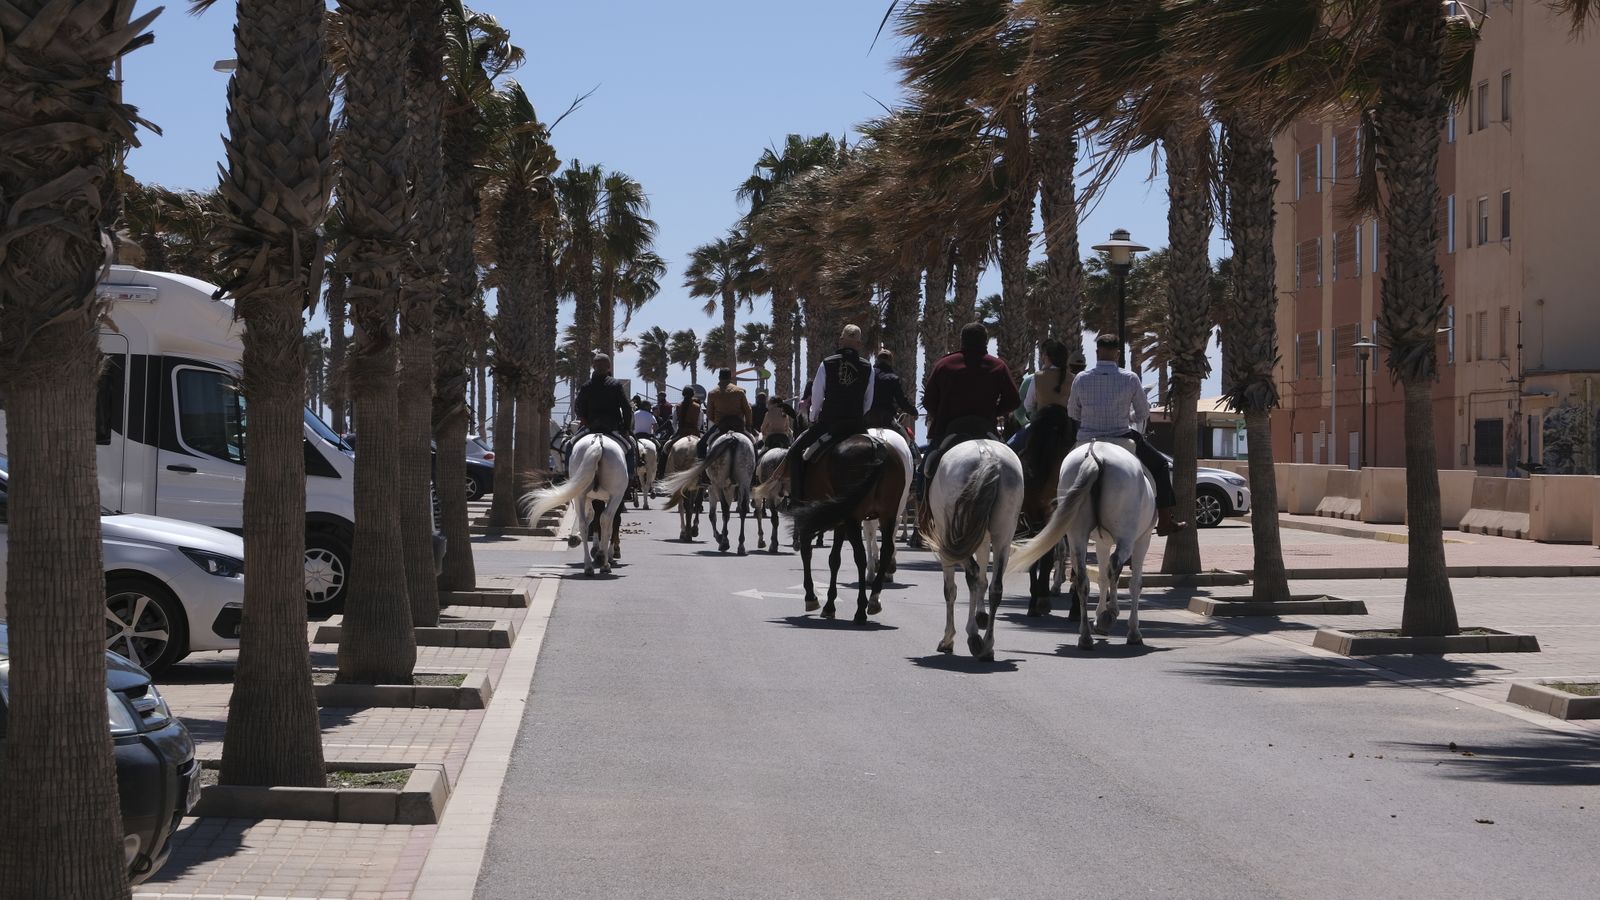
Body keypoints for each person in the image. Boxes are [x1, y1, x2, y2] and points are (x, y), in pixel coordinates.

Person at [1068, 333, 1187, 536]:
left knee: (1060, 470)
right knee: (1160, 465)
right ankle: (1166, 520)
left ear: (1097, 352)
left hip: (1086, 440)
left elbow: (1073, 412)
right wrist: (1127, 416)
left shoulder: (1081, 378)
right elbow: (1142, 413)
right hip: (1121, 437)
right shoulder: (1130, 378)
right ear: (1118, 353)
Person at [921, 321, 1021, 492]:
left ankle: (922, 508)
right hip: (986, 427)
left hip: (950, 429)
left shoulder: (944, 364)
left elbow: (928, 401)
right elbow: (1013, 400)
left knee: (925, 470)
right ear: (985, 341)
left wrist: (944, 412)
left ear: (962, 341)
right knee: (1014, 466)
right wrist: (994, 411)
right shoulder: (997, 366)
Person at [787, 324, 876, 500]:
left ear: (841, 341)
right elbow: (868, 401)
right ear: (859, 344)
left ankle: (796, 500)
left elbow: (817, 397)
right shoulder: (868, 367)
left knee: (795, 453)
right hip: (856, 426)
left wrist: (813, 417)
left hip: (829, 424)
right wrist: (857, 415)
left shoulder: (827, 363)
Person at [571, 354, 636, 473]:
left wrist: (584, 419)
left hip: (591, 427)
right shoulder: (616, 385)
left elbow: (578, 406)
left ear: (593, 367)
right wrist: (626, 428)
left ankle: (567, 474)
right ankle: (630, 477)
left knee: (571, 445)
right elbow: (626, 408)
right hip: (612, 427)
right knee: (630, 448)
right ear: (609, 367)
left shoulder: (586, 386)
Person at [698, 368, 752, 458]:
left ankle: (703, 470)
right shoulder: (740, 391)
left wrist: (717, 421)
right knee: (753, 444)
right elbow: (748, 410)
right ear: (730, 377)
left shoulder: (712, 393)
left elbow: (709, 413)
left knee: (701, 445)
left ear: (719, 377)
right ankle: (754, 470)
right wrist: (748, 425)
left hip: (721, 425)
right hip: (738, 425)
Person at [866, 348, 917, 436]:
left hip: (868, 418)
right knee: (909, 439)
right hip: (886, 419)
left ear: (877, 360)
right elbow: (901, 401)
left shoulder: (868, 376)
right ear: (890, 362)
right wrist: (913, 411)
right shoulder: (893, 378)